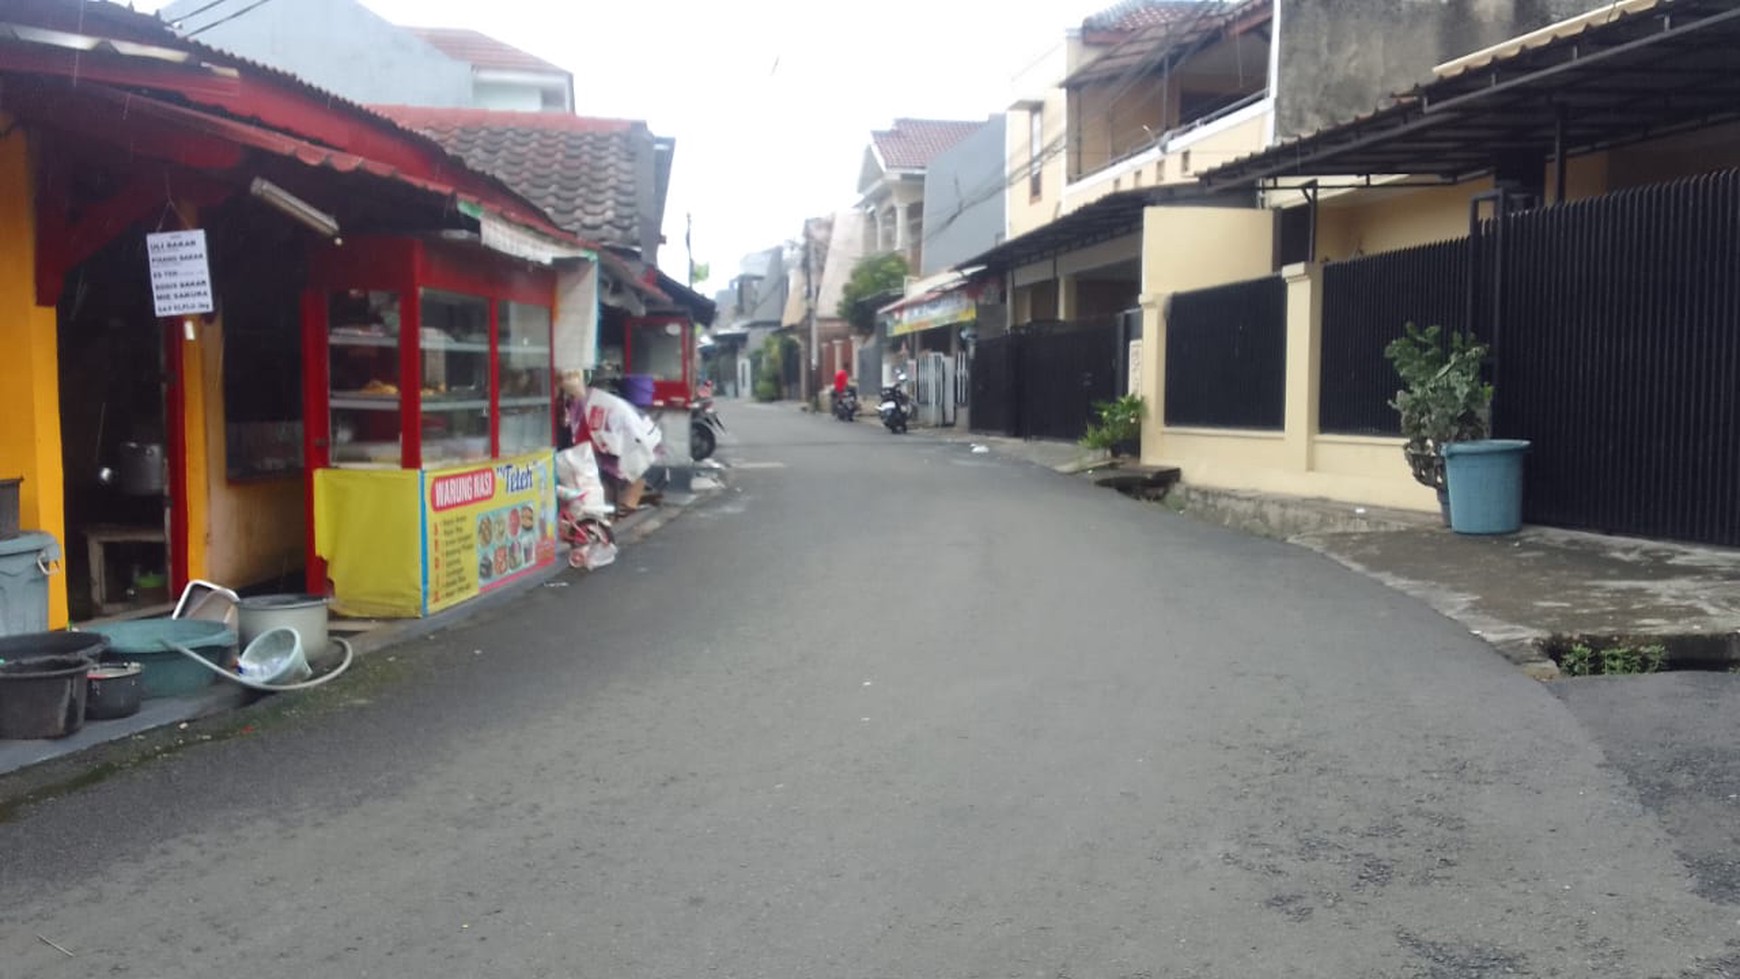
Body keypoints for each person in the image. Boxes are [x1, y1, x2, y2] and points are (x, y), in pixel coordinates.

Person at [560, 371, 664, 517]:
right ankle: (618, 505)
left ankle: (620, 504)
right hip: (635, 433)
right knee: (620, 470)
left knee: (618, 470)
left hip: (631, 436)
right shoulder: (592, 399)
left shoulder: (588, 402)